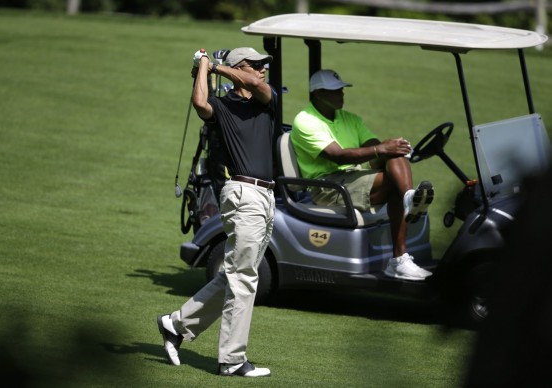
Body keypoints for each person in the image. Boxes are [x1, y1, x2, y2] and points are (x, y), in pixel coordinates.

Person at [156, 47, 277, 377]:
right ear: (242, 67)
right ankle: (232, 359)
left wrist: (214, 67)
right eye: (257, 66)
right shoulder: (223, 107)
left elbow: (260, 86)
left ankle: (175, 325)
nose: (264, 71)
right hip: (243, 193)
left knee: (233, 274)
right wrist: (203, 69)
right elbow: (200, 103)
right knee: (244, 278)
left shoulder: (268, 100)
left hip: (266, 198)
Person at [291, 69, 434, 281]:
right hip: (326, 186)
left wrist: (394, 147)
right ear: (317, 93)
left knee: (393, 154)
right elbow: (337, 156)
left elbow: (374, 148)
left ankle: (408, 198)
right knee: (389, 168)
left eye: (341, 90)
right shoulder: (305, 121)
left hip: (351, 179)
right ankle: (399, 257)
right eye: (334, 91)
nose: (340, 95)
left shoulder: (350, 119)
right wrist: (381, 150)